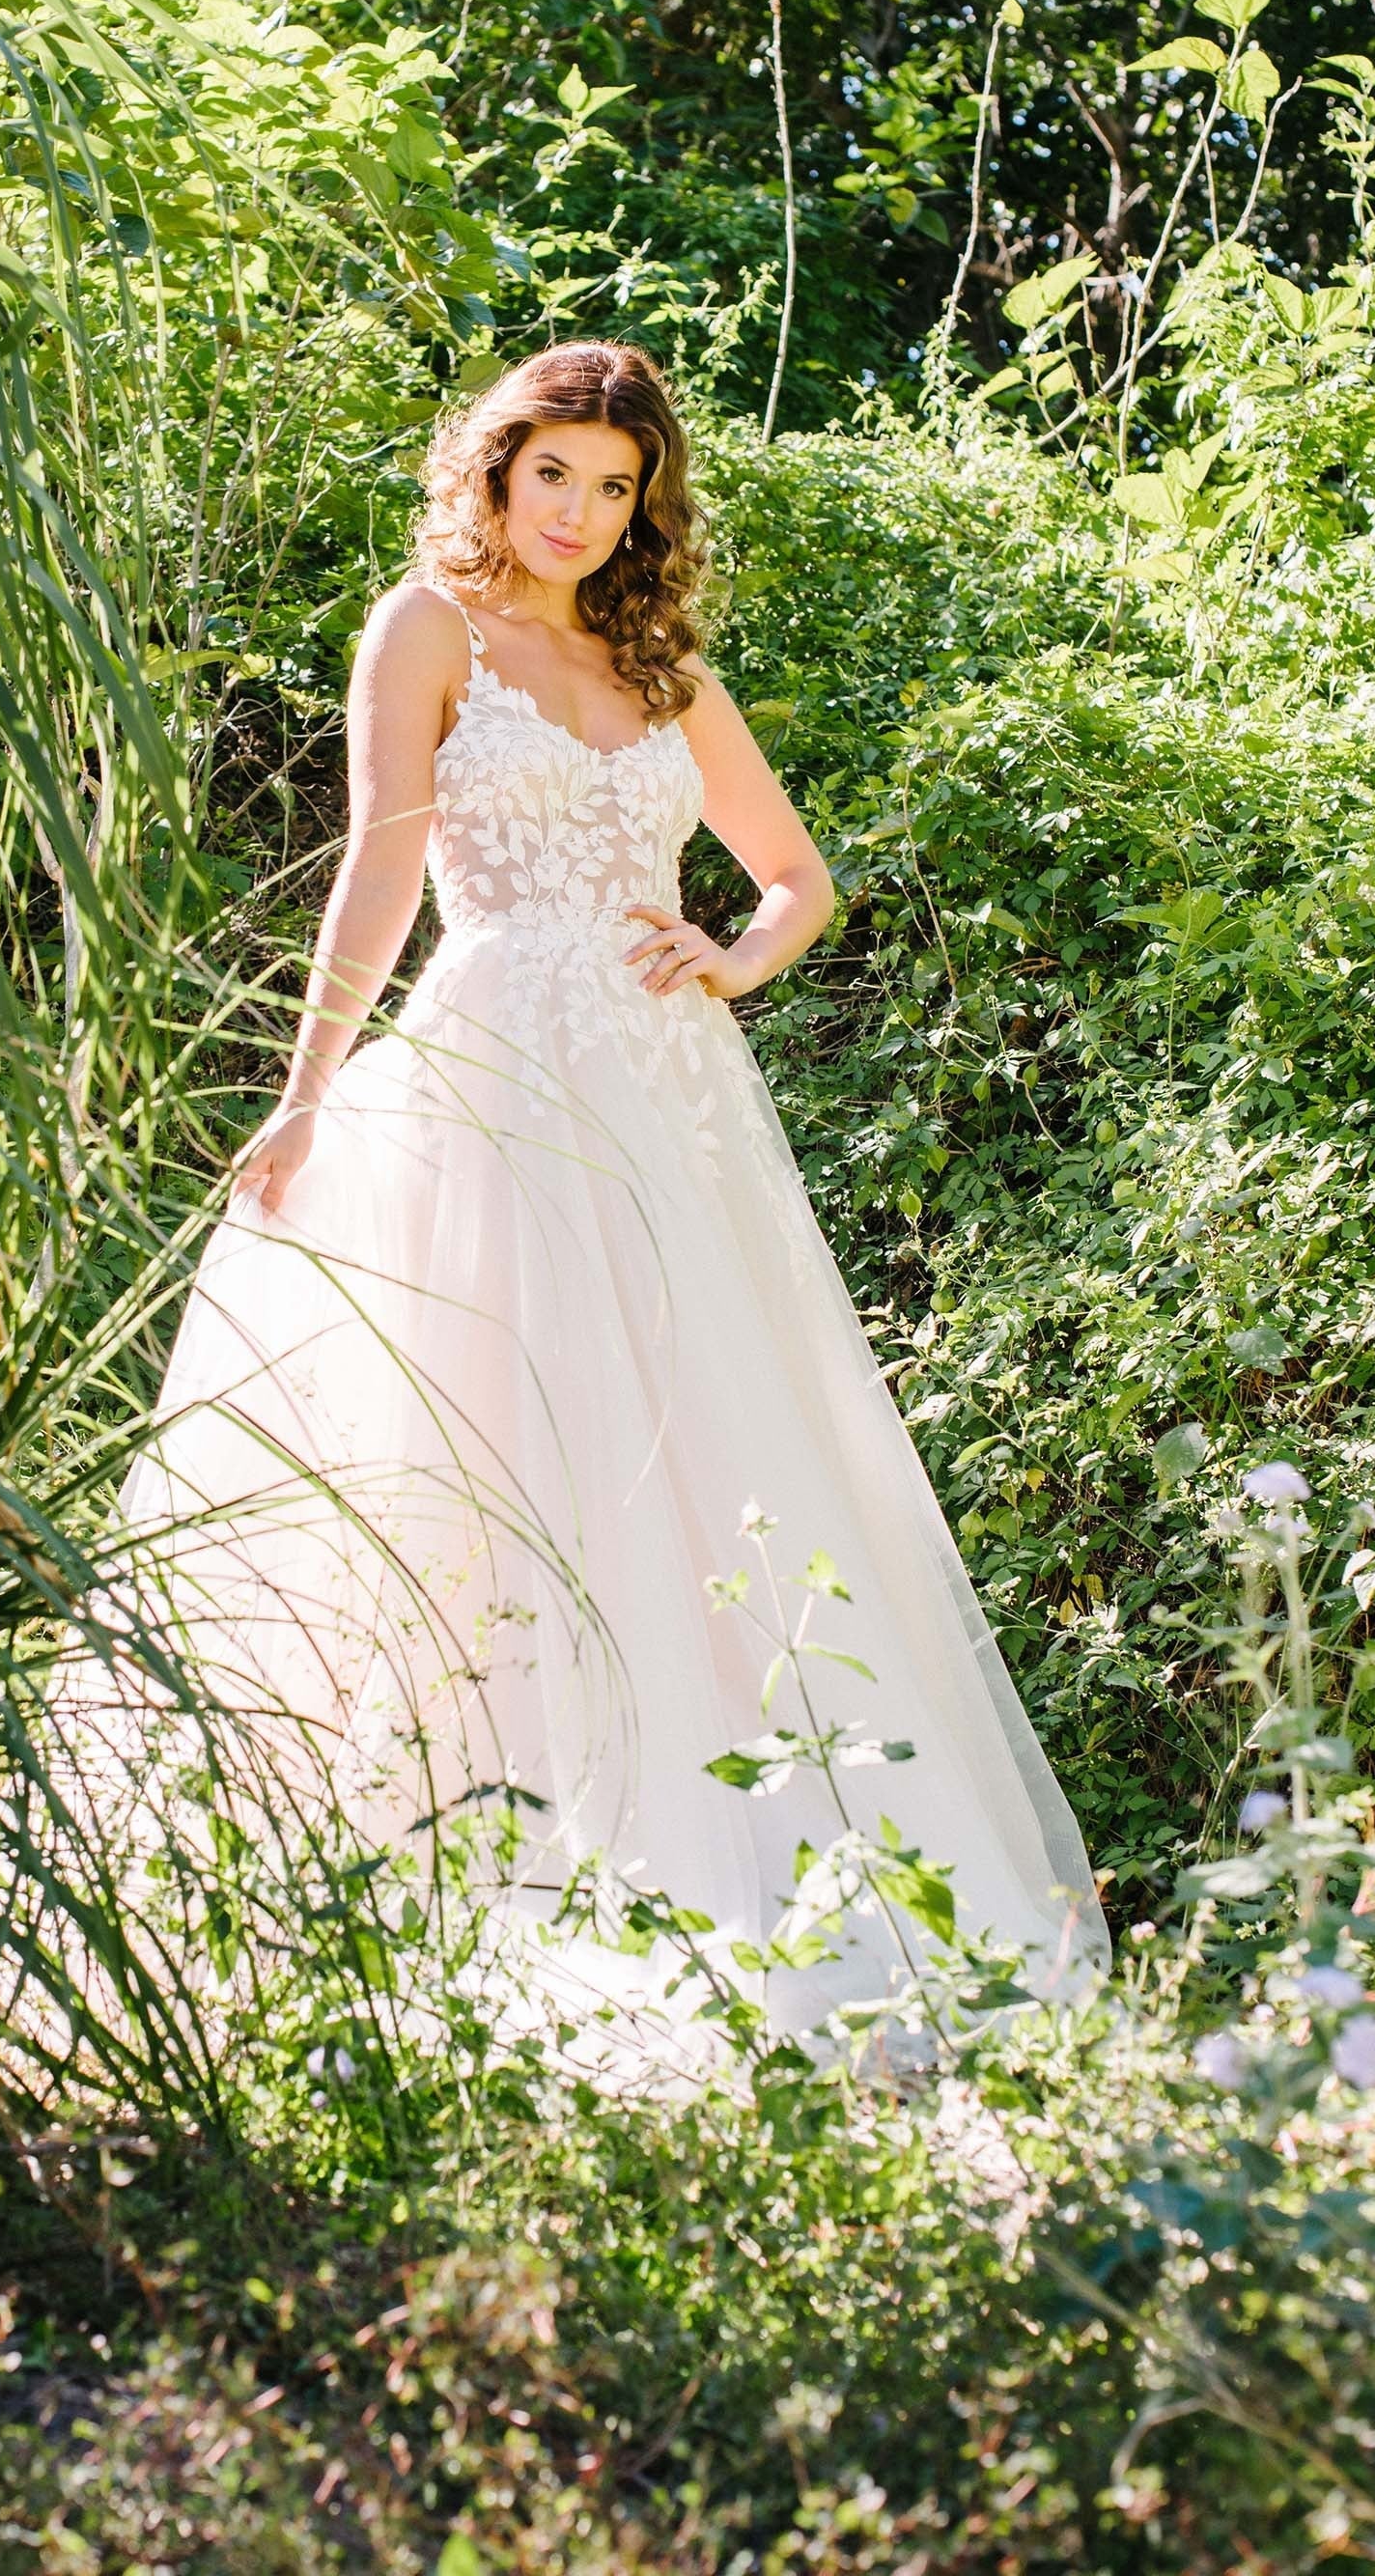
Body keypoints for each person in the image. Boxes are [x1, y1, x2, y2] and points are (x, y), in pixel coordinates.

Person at [118, 340, 1104, 2030]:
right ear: (495, 470)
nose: (578, 512)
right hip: (497, 1066)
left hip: (671, 1095)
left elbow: (799, 881)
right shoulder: (426, 627)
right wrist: (306, 1093)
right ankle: (470, 1838)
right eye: (553, 473)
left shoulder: (663, 677)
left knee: (707, 1438)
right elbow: (378, 867)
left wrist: (728, 959)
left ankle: (760, 1854)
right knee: (494, 1434)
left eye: (614, 486)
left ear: (647, 507)